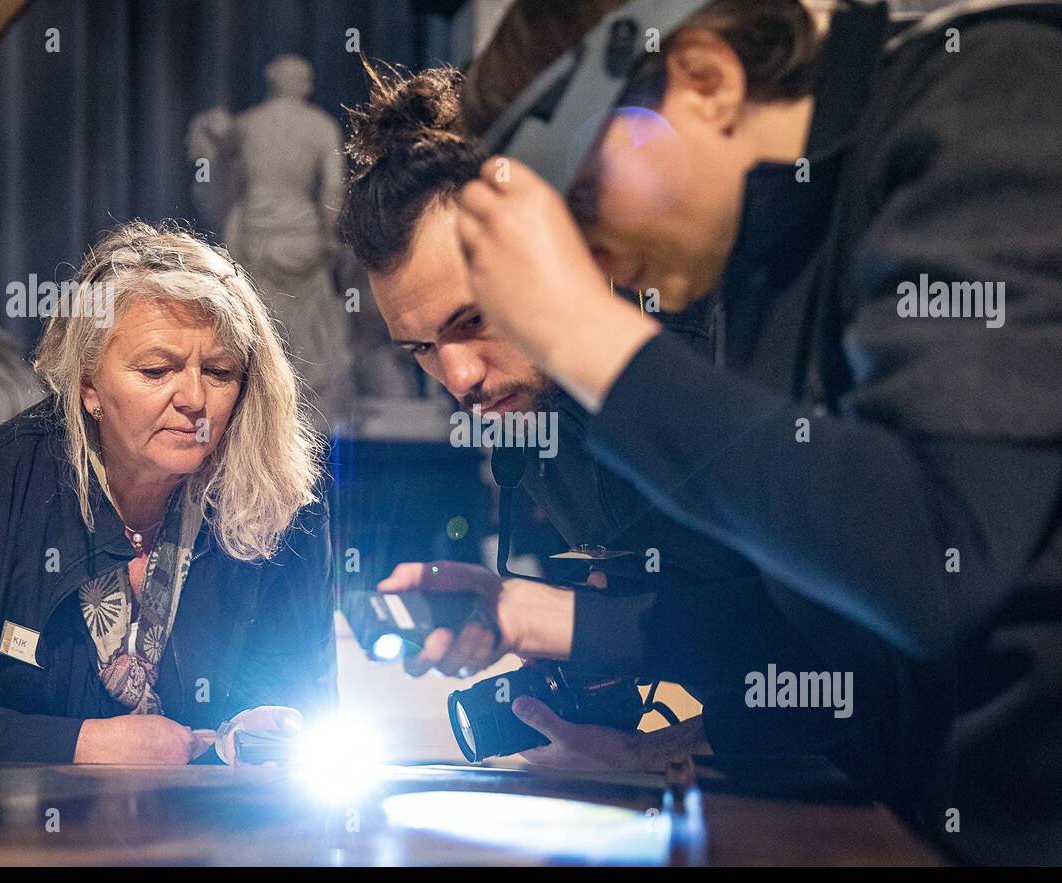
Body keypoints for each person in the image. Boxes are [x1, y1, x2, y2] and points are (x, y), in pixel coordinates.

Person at [442, 0, 1062, 865]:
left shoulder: (1009, 96)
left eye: (582, 199)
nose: (586, 260)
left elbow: (932, 554)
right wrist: (537, 621)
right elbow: (808, 613)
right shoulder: (773, 248)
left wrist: (586, 336)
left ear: (706, 79)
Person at [338, 62, 859, 775]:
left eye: (474, 320)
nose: (457, 378)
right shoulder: (537, 409)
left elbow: (839, 639)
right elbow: (710, 632)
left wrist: (555, 622)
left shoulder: (727, 337)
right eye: (421, 348)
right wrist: (661, 737)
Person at [0, 221, 336, 765]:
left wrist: (273, 731)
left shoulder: (281, 499)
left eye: (219, 371)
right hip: (27, 841)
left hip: (214, 837)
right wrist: (87, 744)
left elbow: (306, 708)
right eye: (156, 370)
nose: (193, 398)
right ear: (88, 384)